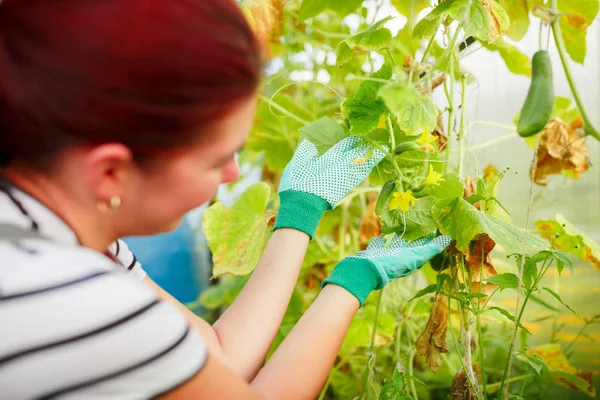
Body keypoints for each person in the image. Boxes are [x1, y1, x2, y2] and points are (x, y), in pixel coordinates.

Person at [0, 1, 451, 399]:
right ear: (110, 172)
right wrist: (356, 280)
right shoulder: (72, 301)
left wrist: (301, 209)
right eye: (217, 159)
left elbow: (220, 358)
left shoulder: (72, 236)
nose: (233, 172)